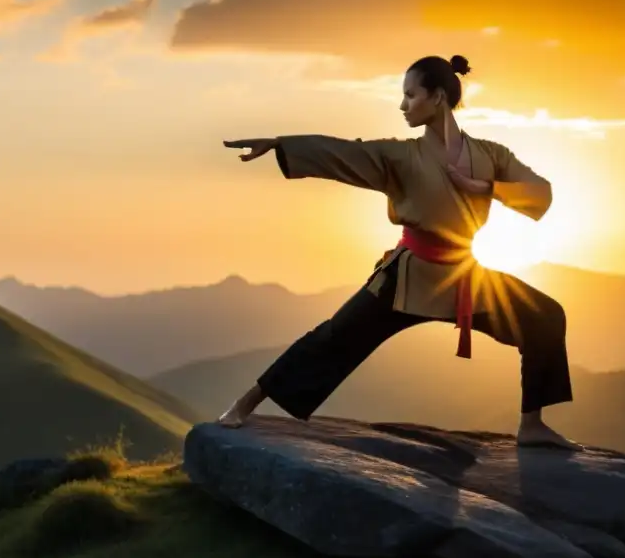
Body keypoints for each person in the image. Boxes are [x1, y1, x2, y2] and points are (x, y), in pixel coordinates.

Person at [219, 54, 580, 450]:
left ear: (438, 97)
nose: (403, 105)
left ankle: (532, 425)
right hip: (407, 279)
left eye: (410, 95)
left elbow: (540, 192)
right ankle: (244, 403)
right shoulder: (401, 156)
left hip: (466, 278)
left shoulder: (491, 156)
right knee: (333, 338)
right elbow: (344, 153)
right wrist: (281, 145)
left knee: (543, 316)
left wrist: (487, 189)